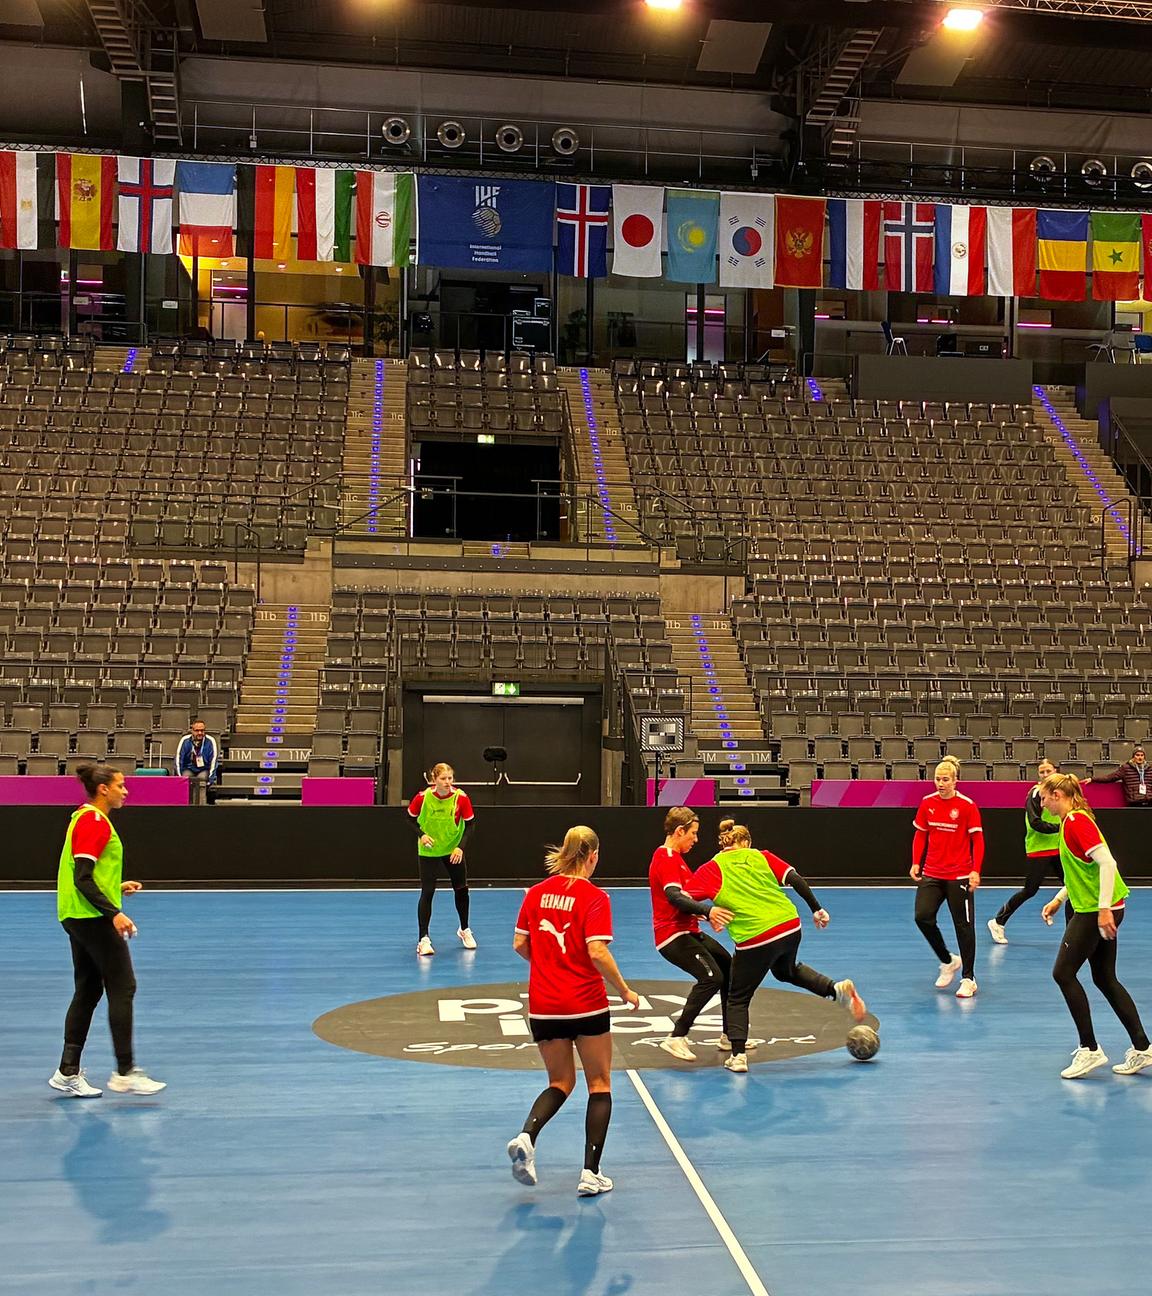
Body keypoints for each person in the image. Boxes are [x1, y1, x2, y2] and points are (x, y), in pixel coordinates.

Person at [507, 826, 640, 1197]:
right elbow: (597, 952)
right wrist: (625, 989)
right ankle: (590, 1173)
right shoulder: (594, 897)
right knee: (600, 1083)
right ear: (593, 856)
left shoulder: (535, 894)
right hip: (585, 1002)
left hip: (544, 1004)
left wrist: (550, 965)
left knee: (560, 1083)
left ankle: (526, 1136)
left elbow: (520, 943)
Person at [683, 821, 866, 1074]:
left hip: (756, 936)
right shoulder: (761, 856)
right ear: (746, 843)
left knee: (737, 996)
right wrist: (817, 909)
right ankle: (835, 989)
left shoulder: (712, 868)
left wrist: (707, 914)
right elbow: (796, 879)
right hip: (789, 925)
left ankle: (737, 1056)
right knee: (786, 970)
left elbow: (683, 899)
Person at [49, 761, 166, 1098]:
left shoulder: (84, 818)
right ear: (103, 789)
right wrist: (114, 912)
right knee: (123, 985)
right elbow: (82, 877)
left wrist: (117, 885)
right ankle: (126, 1071)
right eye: (120, 786)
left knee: (88, 989)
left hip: (76, 914)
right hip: (92, 917)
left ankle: (67, 1071)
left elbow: (91, 874)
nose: (125, 791)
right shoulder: (94, 821)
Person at [1038, 772, 1152, 1079]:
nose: (1042, 801)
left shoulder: (1076, 822)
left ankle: (1089, 1050)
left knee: (1062, 973)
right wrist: (1060, 898)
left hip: (1096, 910)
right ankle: (1143, 1048)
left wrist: (1103, 910)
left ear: (1057, 796)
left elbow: (1108, 863)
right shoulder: (1071, 822)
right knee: (1104, 978)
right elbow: (1083, 869)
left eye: (1044, 796)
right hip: (1101, 906)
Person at [648, 807, 735, 1061]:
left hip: (688, 931)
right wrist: (709, 912)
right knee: (711, 978)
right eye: (693, 834)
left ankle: (730, 1035)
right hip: (672, 936)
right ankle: (676, 1037)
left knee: (728, 966)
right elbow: (674, 897)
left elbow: (685, 899)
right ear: (679, 831)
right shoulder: (665, 857)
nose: (696, 840)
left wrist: (699, 913)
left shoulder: (678, 861)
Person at [911, 757, 983, 999]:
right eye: (937, 779)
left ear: (955, 781)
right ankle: (948, 960)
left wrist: (976, 870)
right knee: (922, 917)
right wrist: (915, 862)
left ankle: (968, 978)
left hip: (959, 874)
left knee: (963, 926)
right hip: (932, 872)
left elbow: (978, 840)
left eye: (945, 779)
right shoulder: (926, 803)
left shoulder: (967, 806)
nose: (940, 784)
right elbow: (921, 835)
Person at [988, 758, 1063, 944]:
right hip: (1039, 849)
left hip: (1059, 848)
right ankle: (998, 921)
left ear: (1056, 771)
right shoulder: (1035, 794)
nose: (1045, 775)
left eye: (1048, 771)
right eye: (1042, 772)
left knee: (1072, 887)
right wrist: (1060, 829)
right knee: (1030, 890)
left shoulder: (1059, 793)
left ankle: (1075, 930)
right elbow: (1035, 822)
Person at [408, 762, 476, 954]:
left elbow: (470, 825)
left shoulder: (461, 798)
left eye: (450, 778)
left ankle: (464, 929)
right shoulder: (422, 798)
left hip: (452, 850)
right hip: (429, 850)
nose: (447, 782)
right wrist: (422, 835)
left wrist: (460, 848)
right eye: (443, 779)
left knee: (461, 889)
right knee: (427, 892)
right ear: (434, 780)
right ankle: (423, 939)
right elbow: (409, 819)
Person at [1085, 744, 1152, 806]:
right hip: (1134, 803)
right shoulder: (1125, 768)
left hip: (1149, 802)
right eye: (1137, 755)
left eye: (1142, 755)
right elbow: (1110, 777)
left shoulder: (1150, 768)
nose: (1140, 757)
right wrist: (1092, 779)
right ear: (1133, 757)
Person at [174, 719, 219, 806]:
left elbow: (214, 761)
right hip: (189, 768)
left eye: (202, 730)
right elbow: (178, 760)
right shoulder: (184, 740)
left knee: (201, 779)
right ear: (192, 731)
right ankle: (187, 805)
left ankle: (200, 805)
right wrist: (180, 779)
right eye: (197, 730)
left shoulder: (211, 741)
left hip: (204, 769)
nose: (200, 733)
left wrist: (210, 780)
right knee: (186, 778)